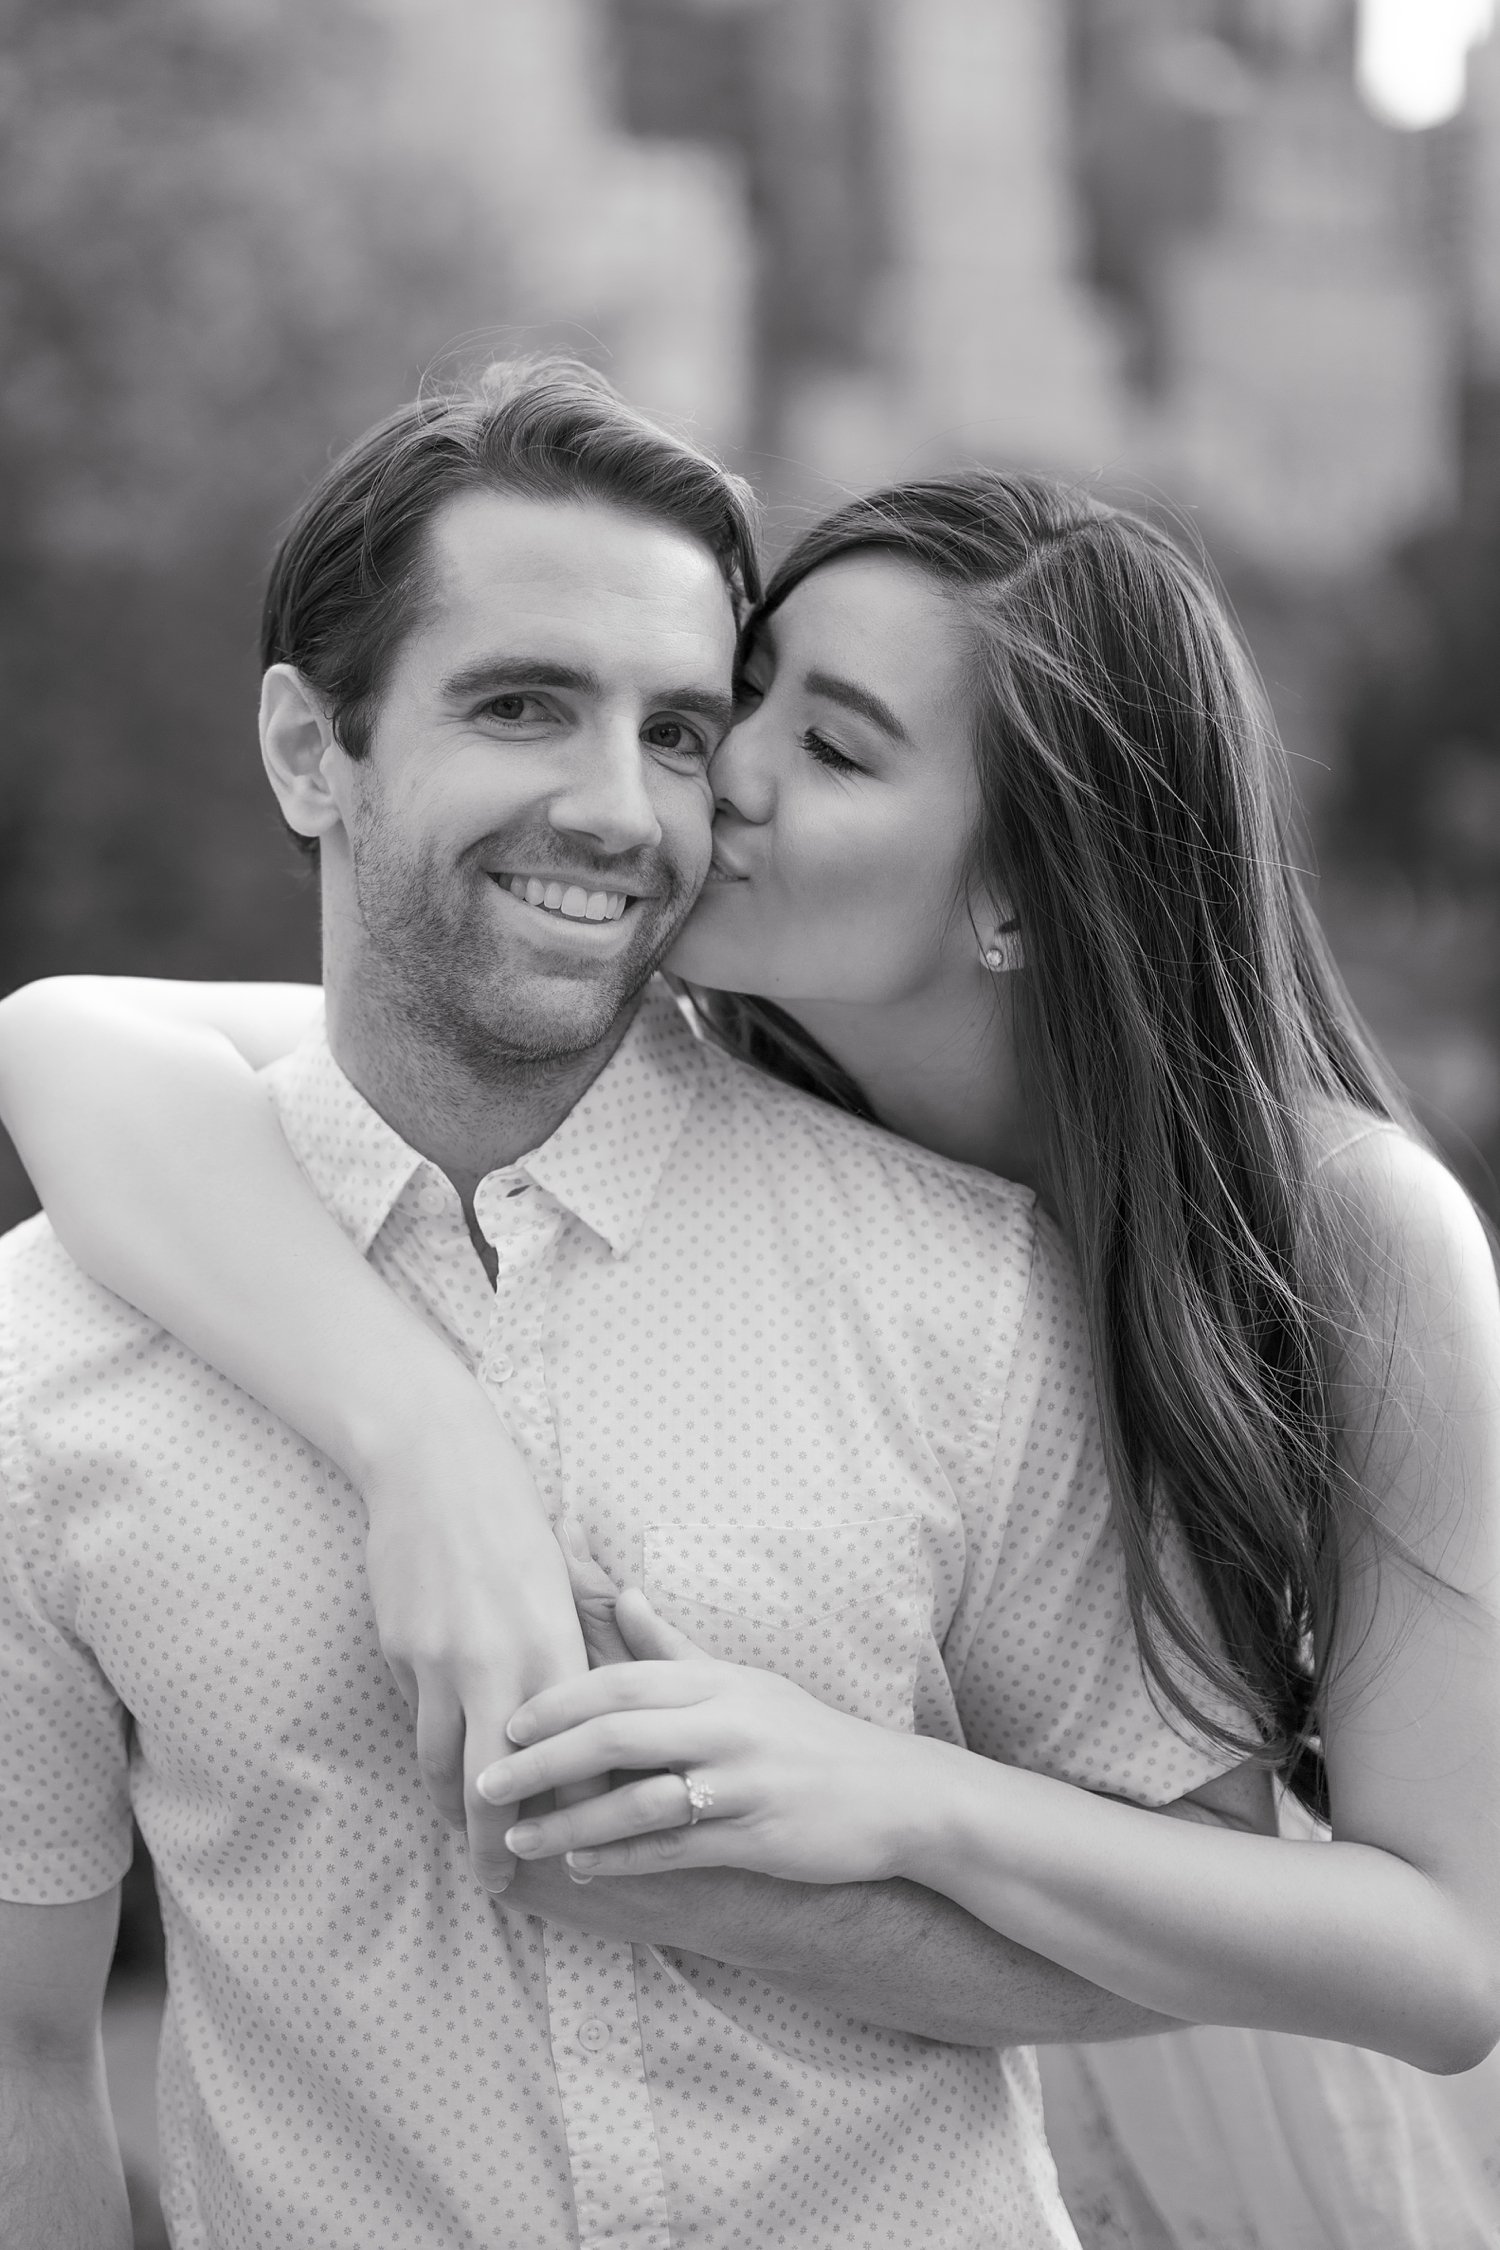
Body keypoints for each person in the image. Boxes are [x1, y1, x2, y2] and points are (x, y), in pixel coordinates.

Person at [0, 361, 1264, 2250]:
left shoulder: (965, 1282)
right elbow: (22, 2053)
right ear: (303, 749)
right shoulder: (49, 1359)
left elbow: (1197, 1900)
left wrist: (777, 1877)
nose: (618, 808)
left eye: (682, 731)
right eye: (523, 705)